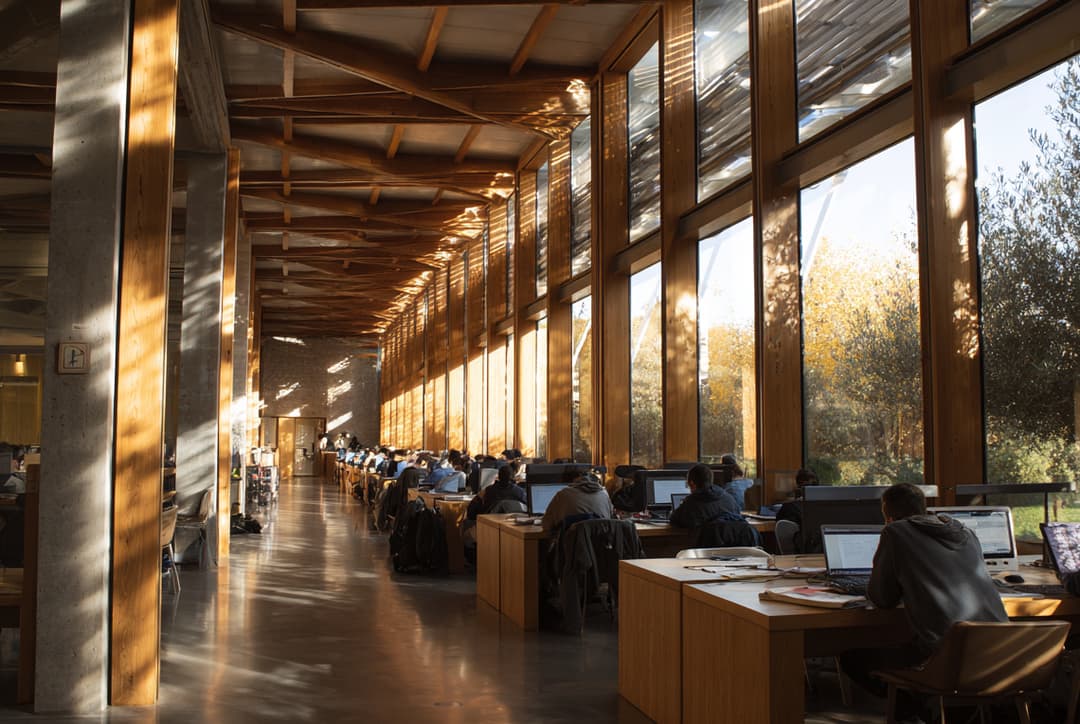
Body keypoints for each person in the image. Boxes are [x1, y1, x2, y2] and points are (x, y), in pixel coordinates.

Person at [839, 483, 1007, 722]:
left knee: (852, 659)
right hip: (1003, 651)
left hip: (946, 657)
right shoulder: (966, 532)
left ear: (888, 514)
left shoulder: (895, 532)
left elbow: (882, 598)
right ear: (923, 506)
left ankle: (918, 709)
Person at [670, 463, 743, 529]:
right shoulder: (729, 499)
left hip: (707, 543)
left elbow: (674, 520)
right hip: (737, 543)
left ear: (692, 484)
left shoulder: (692, 503)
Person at [540, 472, 613, 533]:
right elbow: (611, 519)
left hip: (570, 547)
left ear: (575, 481)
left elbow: (546, 525)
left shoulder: (563, 494)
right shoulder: (604, 494)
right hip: (600, 547)